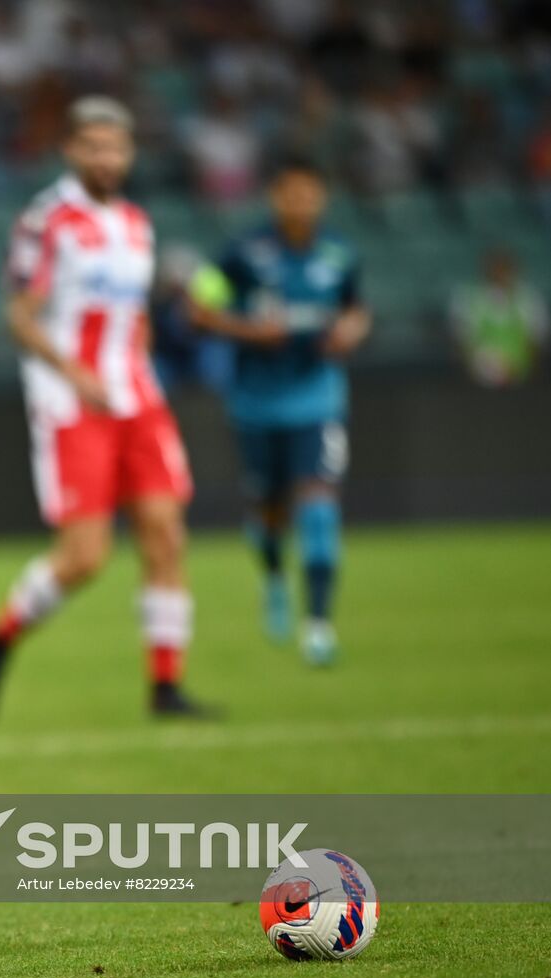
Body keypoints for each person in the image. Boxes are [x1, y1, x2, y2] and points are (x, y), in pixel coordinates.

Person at [0, 96, 202, 720]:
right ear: (71, 149)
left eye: (117, 147)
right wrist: (73, 370)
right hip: (73, 402)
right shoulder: (49, 220)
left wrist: (143, 367)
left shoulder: (136, 222)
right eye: (93, 145)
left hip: (137, 397)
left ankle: (166, 688)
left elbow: (135, 314)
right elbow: (20, 315)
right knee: (86, 557)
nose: (107, 157)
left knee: (166, 535)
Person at [188, 154, 370, 665]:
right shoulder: (243, 254)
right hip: (256, 402)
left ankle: (318, 626)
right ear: (275, 197)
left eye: (309, 193)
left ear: (322, 198)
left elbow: (357, 308)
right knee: (269, 511)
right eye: (290, 193)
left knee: (317, 504)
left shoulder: (339, 255)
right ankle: (272, 578)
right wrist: (249, 331)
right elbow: (198, 311)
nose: (300, 203)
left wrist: (352, 330)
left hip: (318, 398)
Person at [448, 248, 547, 387]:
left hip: (520, 372)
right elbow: (462, 338)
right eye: (496, 268)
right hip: (480, 372)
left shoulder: (528, 298)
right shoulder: (468, 298)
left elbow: (536, 338)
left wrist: (519, 368)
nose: (500, 273)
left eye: (504, 268)